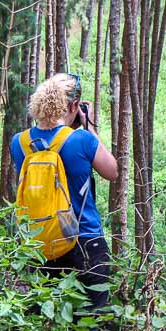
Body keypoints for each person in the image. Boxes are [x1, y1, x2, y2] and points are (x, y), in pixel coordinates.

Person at [10, 72, 118, 314]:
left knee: (48, 323)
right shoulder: (81, 140)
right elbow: (112, 171)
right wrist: (88, 125)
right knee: (90, 323)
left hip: (41, 243)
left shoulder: (19, 142)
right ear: (72, 105)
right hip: (84, 239)